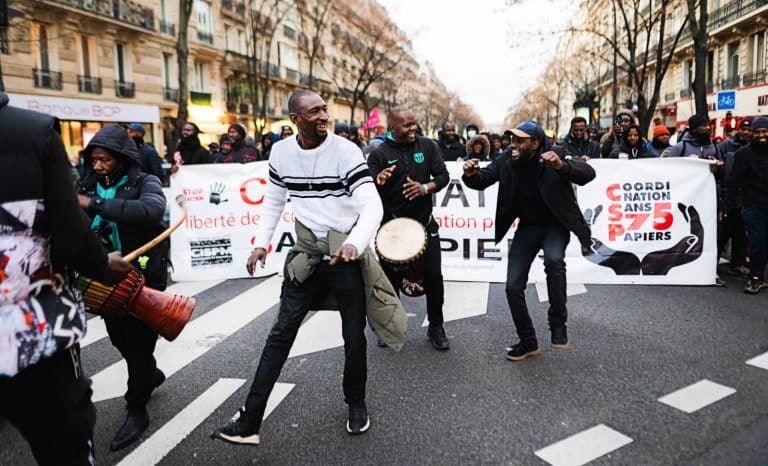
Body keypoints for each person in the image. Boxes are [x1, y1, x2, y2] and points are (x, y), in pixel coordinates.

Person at [212, 90, 405, 446]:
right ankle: (250, 420)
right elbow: (273, 201)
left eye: (324, 110)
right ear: (295, 120)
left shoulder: (345, 152)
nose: (323, 116)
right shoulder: (282, 152)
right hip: (306, 254)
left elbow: (371, 206)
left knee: (353, 336)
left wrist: (354, 243)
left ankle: (356, 403)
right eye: (313, 111)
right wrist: (259, 243)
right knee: (279, 335)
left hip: (344, 254)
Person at [0, 92, 131, 465]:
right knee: (65, 445)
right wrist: (103, 266)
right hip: (35, 333)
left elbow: (148, 208)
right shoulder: (35, 132)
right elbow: (72, 238)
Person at [462, 121, 595, 361]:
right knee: (513, 286)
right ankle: (528, 341)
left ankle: (558, 324)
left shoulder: (556, 154)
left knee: (554, 262)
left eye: (519, 141)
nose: (513, 145)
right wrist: (469, 175)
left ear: (534, 144)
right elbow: (483, 178)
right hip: (527, 228)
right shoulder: (506, 160)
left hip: (555, 225)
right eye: (512, 140)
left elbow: (588, 174)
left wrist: (561, 166)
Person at [77, 125, 169, 451]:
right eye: (94, 160)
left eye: (104, 160)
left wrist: (93, 206)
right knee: (120, 339)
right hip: (106, 279)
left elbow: (151, 211)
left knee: (139, 343)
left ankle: (137, 407)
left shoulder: (145, 182)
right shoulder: (86, 184)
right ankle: (150, 373)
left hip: (143, 274)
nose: (98, 166)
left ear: (121, 158)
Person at [368, 107, 451, 350]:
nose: (413, 128)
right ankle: (389, 329)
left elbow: (443, 176)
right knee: (390, 282)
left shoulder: (428, 146)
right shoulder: (379, 153)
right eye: (407, 125)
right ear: (392, 127)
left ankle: (436, 326)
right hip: (391, 229)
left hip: (425, 225)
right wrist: (378, 180)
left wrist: (425, 188)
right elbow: (367, 185)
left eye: (414, 124)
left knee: (434, 277)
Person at [726, 117, 768, 294]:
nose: (761, 135)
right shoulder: (743, 154)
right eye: (757, 132)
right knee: (757, 243)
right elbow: (734, 182)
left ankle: (760, 274)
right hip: (753, 207)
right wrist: (728, 207)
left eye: (765, 131)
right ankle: (756, 278)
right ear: (752, 133)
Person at [718, 118, 752, 276]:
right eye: (743, 129)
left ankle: (737, 263)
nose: (746, 132)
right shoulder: (726, 146)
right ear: (738, 130)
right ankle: (713, 263)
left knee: (741, 233)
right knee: (723, 231)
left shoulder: (756, 148)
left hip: (747, 198)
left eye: (748, 129)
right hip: (729, 194)